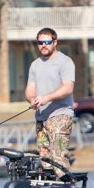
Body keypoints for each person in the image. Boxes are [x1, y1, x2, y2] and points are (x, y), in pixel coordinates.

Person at [25, 27, 75, 178]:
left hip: (61, 115)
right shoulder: (35, 65)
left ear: (55, 42)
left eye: (47, 42)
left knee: (58, 155)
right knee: (44, 158)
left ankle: (67, 185)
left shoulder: (65, 62)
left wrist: (46, 98)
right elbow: (30, 89)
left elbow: (68, 88)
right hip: (41, 117)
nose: (43, 46)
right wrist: (32, 99)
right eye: (40, 43)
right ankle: (49, 186)